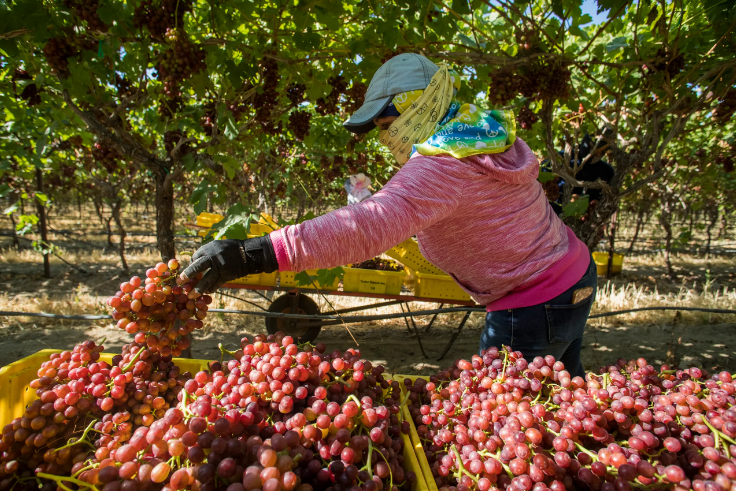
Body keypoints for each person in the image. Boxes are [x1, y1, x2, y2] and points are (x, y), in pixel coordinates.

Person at [182, 53, 597, 377]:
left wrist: (250, 254)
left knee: (504, 426)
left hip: (533, 301)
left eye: (384, 124)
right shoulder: (479, 134)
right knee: (560, 406)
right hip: (572, 275)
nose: (383, 139)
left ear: (416, 105)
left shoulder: (444, 163)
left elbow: (365, 226)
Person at [543, 134, 615, 215]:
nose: (598, 154)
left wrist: (593, 206)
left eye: (602, 152)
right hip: (550, 217)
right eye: (594, 147)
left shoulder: (607, 172)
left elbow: (609, 203)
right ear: (586, 141)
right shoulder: (561, 159)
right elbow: (539, 183)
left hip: (580, 225)